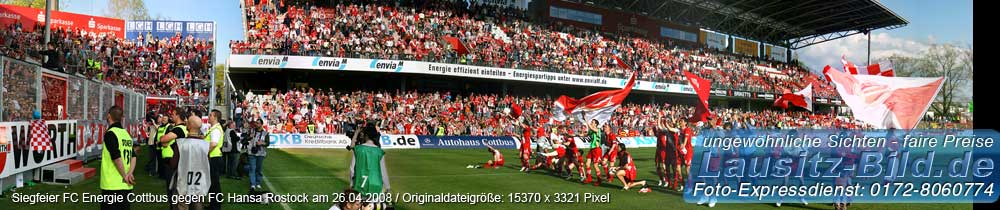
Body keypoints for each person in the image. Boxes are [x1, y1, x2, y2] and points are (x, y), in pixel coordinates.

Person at [100, 105, 136, 210]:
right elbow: (133, 156)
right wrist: (130, 173)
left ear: (108, 116)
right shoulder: (126, 134)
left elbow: (116, 157)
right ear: (121, 118)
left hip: (112, 185)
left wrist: (125, 175)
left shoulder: (110, 133)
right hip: (126, 185)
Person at [349, 121, 390, 196]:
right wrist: (387, 187)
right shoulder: (379, 151)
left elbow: (352, 169)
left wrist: (352, 184)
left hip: (359, 185)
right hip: (376, 186)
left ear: (366, 135)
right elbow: (383, 171)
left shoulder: (358, 149)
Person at [205, 110, 225, 210]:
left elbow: (213, 144)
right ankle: (213, 205)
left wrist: (204, 152)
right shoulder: (214, 128)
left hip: (214, 158)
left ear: (215, 117)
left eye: (210, 115)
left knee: (214, 184)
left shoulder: (216, 129)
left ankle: (215, 206)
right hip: (214, 157)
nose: (209, 117)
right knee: (213, 184)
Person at [247, 118, 270, 191]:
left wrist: (261, 143)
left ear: (261, 124)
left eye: (258, 123)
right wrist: (249, 137)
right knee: (252, 168)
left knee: (258, 169)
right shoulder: (252, 131)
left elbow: (268, 143)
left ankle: (258, 183)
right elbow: (246, 139)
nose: (256, 124)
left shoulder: (265, 133)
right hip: (251, 152)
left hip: (260, 153)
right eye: (256, 123)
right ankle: (253, 184)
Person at [583, 119, 604, 185]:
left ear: (596, 124)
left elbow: (591, 128)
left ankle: (599, 180)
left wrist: (586, 120)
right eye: (591, 122)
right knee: (587, 164)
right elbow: (585, 134)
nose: (591, 123)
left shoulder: (598, 130)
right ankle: (589, 178)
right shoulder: (591, 131)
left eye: (592, 122)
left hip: (597, 149)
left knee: (595, 165)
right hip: (592, 149)